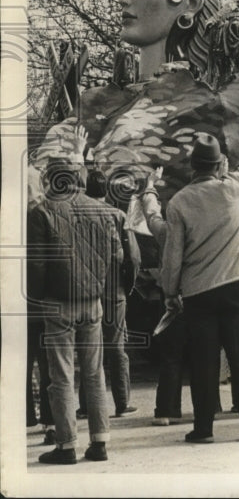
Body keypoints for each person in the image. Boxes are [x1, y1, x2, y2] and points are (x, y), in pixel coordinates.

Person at [139, 101, 239, 444]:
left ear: (193, 167)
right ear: (220, 164)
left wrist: (170, 293)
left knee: (204, 361)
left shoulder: (180, 202)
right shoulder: (236, 187)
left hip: (199, 293)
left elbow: (173, 255)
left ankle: (204, 429)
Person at [27, 140, 123, 465]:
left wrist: (38, 298)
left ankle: (66, 445)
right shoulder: (99, 209)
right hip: (92, 302)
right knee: (95, 373)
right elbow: (112, 256)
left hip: (58, 303)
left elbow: (37, 264)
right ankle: (100, 442)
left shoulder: (40, 212)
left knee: (62, 376)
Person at [76, 170, 138, 421]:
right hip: (114, 291)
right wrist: (128, 286)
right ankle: (122, 403)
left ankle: (86, 405)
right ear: (106, 192)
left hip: (85, 290)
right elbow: (133, 257)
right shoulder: (118, 216)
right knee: (117, 348)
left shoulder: (77, 216)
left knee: (89, 348)